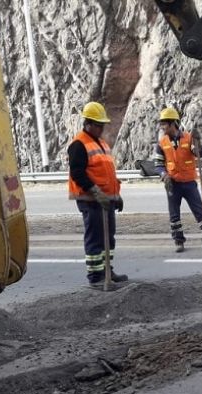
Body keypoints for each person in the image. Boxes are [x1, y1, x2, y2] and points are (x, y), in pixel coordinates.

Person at [67, 101, 128, 287]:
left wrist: (115, 195)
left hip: (105, 199)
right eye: (98, 125)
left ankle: (107, 271)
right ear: (88, 124)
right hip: (90, 199)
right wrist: (95, 191)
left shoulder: (101, 143)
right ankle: (96, 277)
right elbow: (77, 173)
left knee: (108, 237)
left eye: (103, 125)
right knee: (95, 238)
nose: (102, 129)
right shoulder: (78, 144)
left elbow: (108, 173)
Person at [153, 107, 202, 252]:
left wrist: (198, 142)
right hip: (172, 184)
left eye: (164, 124)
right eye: (161, 124)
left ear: (173, 123)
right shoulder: (161, 143)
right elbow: (158, 165)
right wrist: (164, 175)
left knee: (200, 212)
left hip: (189, 183)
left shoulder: (188, 138)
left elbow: (199, 153)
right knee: (174, 215)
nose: (162, 127)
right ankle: (178, 241)